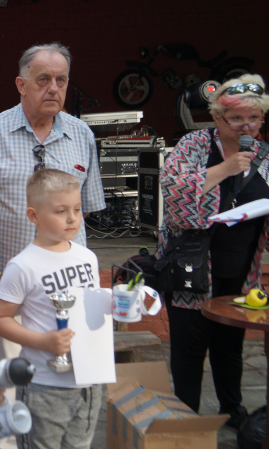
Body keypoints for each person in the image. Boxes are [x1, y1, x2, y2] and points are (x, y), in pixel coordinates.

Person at [0, 42, 105, 416]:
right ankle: (11, 438)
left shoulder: (82, 135)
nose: (54, 88)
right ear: (21, 84)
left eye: (61, 80)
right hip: (10, 290)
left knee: (69, 382)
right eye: (43, 79)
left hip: (68, 291)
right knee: (10, 385)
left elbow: (86, 210)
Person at [158, 74, 269, 428]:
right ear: (217, 117)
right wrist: (224, 169)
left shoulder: (264, 155)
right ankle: (187, 421)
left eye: (254, 118)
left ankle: (232, 412)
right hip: (192, 269)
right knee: (189, 350)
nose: (246, 126)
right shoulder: (194, 145)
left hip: (241, 271)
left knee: (230, 346)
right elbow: (173, 197)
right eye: (236, 118)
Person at [0, 169, 102, 449]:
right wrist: (42, 341)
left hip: (89, 382)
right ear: (34, 216)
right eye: (61, 211)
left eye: (77, 209)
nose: (72, 218)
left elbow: (92, 309)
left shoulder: (88, 257)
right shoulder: (22, 265)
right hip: (44, 384)